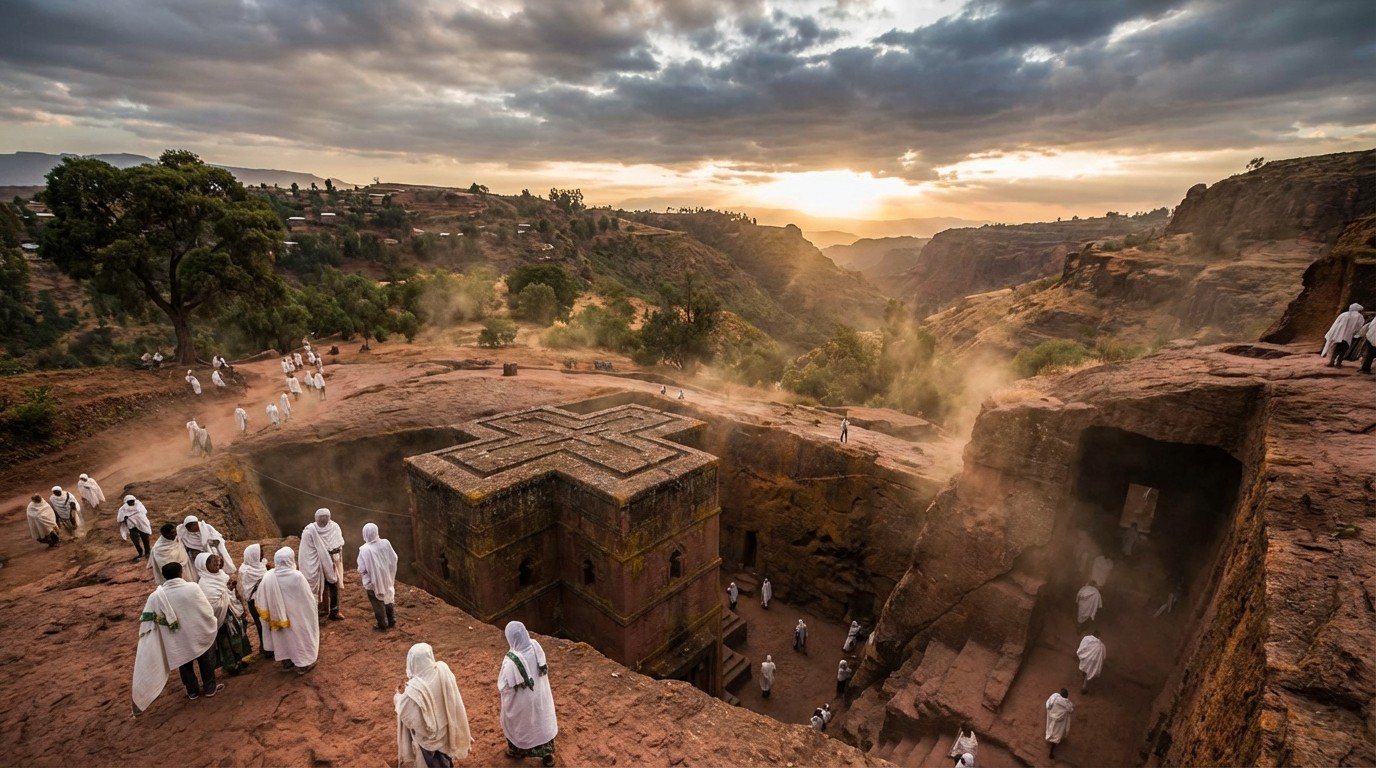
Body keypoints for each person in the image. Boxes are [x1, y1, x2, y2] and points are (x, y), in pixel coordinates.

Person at [132, 561, 222, 715]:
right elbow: (206, 609)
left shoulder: (156, 597)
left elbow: (147, 621)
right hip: (197, 632)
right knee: (205, 660)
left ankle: (192, 692)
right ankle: (210, 687)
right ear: (181, 573)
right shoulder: (193, 588)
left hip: (176, 639)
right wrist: (211, 623)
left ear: (164, 576)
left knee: (184, 664)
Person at [396, 643, 472, 768]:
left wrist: (398, 697)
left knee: (434, 762)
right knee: (446, 755)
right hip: (447, 729)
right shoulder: (443, 670)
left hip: (429, 741)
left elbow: (406, 715)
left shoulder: (412, 692)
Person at [499, 621, 558, 766]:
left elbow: (504, 686)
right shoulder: (535, 646)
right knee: (542, 723)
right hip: (541, 697)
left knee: (519, 726)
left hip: (523, 705)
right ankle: (547, 757)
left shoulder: (510, 662)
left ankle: (517, 751)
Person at [256, 547, 320, 675]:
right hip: (297, 615)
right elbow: (307, 598)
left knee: (283, 638)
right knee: (299, 638)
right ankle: (302, 664)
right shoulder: (297, 576)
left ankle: (286, 662)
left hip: (277, 617)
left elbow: (260, 598)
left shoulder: (269, 576)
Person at [196, 553, 251, 675]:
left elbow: (230, 593)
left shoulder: (222, 575)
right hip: (221, 618)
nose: (217, 564)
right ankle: (231, 666)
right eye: (213, 562)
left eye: (218, 561)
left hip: (232, 614)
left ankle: (239, 660)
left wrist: (229, 590)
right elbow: (212, 604)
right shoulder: (204, 583)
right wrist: (226, 592)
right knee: (226, 642)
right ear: (204, 566)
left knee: (237, 637)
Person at [301, 508, 345, 620]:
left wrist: (332, 554)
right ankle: (323, 609)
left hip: (332, 561)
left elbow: (338, 543)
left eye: (325, 517)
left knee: (334, 584)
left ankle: (335, 611)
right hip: (318, 563)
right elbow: (307, 550)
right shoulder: (310, 530)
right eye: (321, 517)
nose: (323, 519)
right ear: (316, 518)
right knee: (322, 585)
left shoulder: (334, 527)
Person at [358, 522, 399, 631]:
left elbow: (362, 568)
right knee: (388, 596)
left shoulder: (364, 549)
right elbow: (394, 558)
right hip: (387, 577)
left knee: (377, 601)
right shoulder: (385, 543)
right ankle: (392, 619)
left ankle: (382, 623)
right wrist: (387, 571)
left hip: (373, 581)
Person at [239, 543, 269, 653]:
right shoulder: (246, 571)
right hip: (254, 601)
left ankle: (269, 646)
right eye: (260, 552)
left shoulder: (262, 565)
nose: (263, 554)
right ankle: (265, 648)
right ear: (253, 555)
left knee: (267, 623)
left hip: (265, 599)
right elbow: (245, 589)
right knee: (260, 624)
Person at [118, 495, 153, 561]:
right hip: (132, 527)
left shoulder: (140, 506)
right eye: (129, 501)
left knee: (146, 539)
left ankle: (147, 552)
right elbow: (119, 519)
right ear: (126, 502)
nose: (131, 502)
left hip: (142, 525)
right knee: (136, 541)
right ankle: (140, 553)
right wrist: (124, 518)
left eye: (132, 501)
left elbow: (143, 513)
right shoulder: (123, 509)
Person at [1045, 688, 1074, 758]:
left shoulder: (1054, 697)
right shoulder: (1067, 704)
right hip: (1060, 723)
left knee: (1051, 728)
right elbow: (1071, 709)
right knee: (1057, 734)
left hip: (1052, 718)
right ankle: (1051, 753)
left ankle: (1049, 736)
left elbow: (1048, 704)